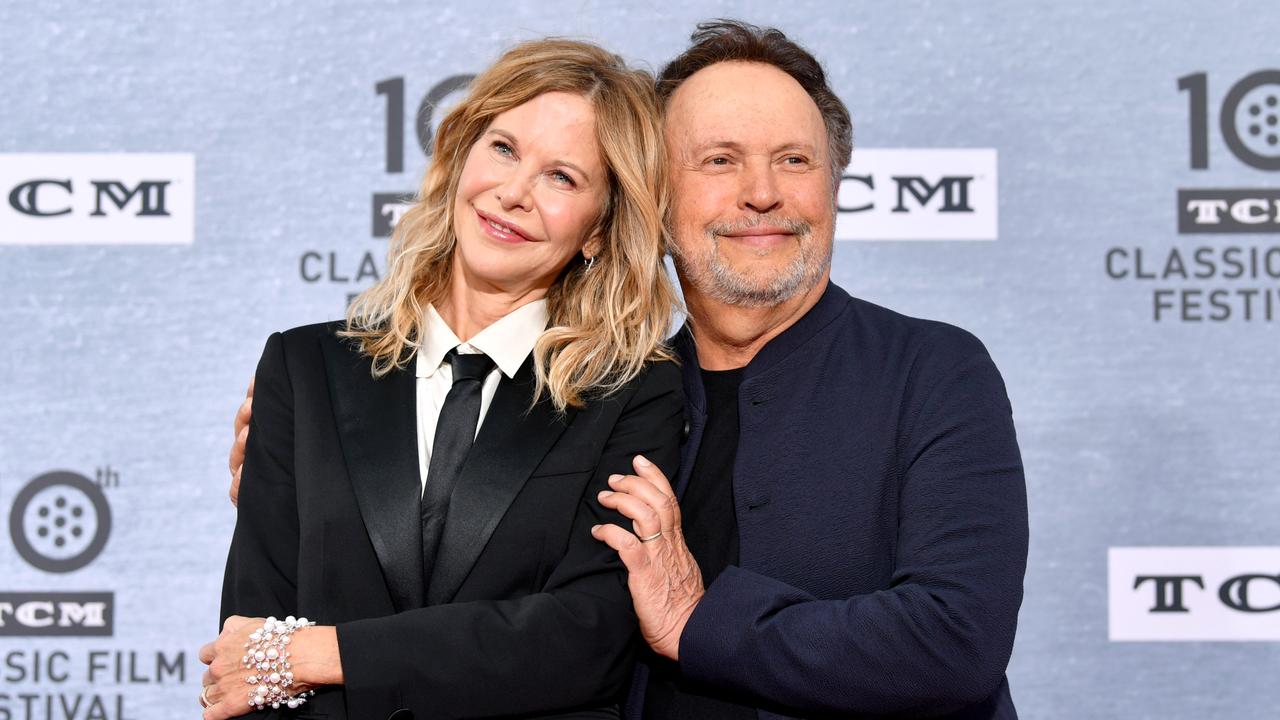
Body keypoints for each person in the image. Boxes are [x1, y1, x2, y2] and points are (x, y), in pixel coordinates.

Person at [229, 20, 1029, 720]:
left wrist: (699, 620)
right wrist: (326, 494)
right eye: (719, 160)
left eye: (794, 160)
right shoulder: (611, 387)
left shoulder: (934, 370)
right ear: (656, 202)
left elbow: (956, 639)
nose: (761, 194)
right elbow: (490, 602)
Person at [200, 39, 684, 720]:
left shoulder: (633, 394)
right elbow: (250, 653)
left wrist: (321, 653)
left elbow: (585, 640)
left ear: (599, 229)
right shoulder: (303, 371)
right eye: (504, 149)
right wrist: (283, 656)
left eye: (562, 178)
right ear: (460, 156)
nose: (513, 193)